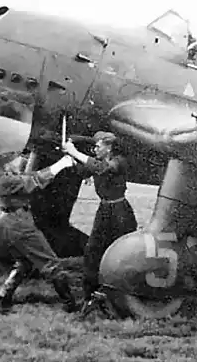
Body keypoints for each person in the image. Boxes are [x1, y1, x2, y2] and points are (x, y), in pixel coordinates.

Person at [0, 152, 79, 314]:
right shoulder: (7, 180)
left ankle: (4, 298)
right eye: (16, 158)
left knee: (24, 263)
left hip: (11, 223)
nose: (21, 159)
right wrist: (61, 165)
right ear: (7, 164)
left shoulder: (8, 177)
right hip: (19, 224)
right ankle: (70, 304)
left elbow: (31, 177)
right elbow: (34, 180)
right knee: (50, 263)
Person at [62, 131, 138, 306]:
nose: (94, 149)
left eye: (98, 146)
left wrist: (74, 152)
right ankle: (90, 296)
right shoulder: (102, 161)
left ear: (109, 147)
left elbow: (101, 169)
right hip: (105, 210)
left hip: (120, 213)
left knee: (122, 254)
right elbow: (83, 171)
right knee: (93, 251)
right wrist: (71, 159)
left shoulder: (119, 161)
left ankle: (123, 294)